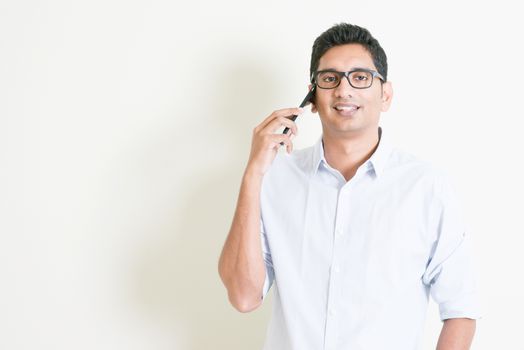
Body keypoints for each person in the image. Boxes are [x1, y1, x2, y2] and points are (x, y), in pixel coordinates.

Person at [218, 23, 481, 350]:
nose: (344, 90)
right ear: (312, 98)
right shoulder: (275, 178)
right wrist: (253, 173)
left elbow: (461, 310)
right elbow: (244, 296)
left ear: (385, 95)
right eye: (330, 78)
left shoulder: (426, 187)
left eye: (360, 77)